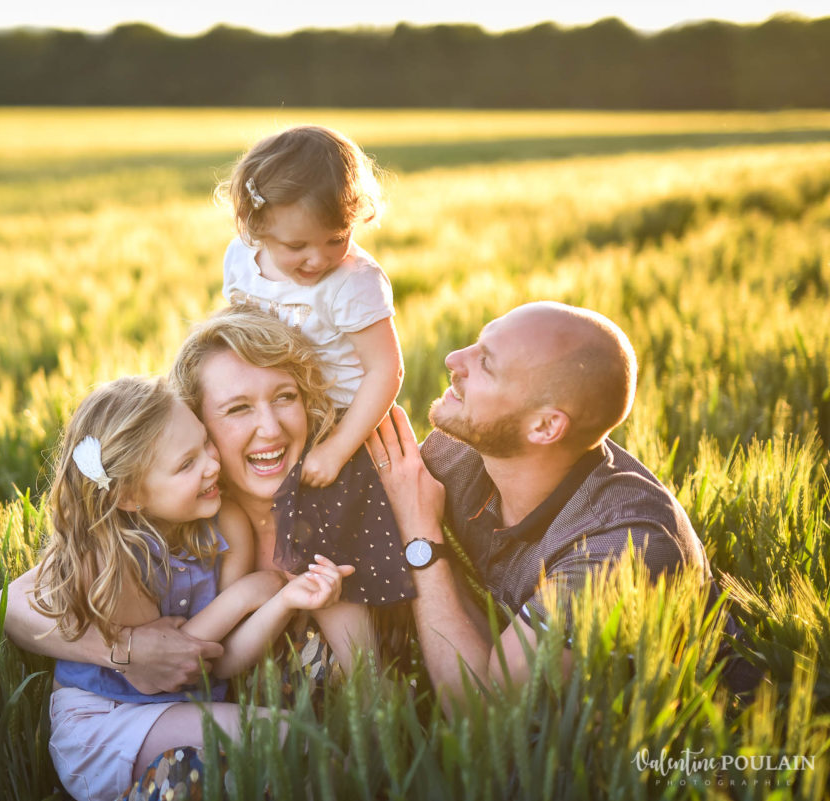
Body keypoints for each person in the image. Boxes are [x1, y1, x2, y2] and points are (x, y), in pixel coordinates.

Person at [363, 301, 714, 713]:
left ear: (546, 426)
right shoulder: (459, 450)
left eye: (486, 364)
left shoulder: (621, 552)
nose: (453, 360)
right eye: (476, 345)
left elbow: (485, 711)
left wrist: (419, 533)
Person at [35, 375, 352, 800]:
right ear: (129, 495)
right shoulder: (110, 558)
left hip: (186, 702)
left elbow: (223, 661)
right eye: (186, 464)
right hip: (109, 720)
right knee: (285, 737)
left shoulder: (226, 524)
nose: (211, 465)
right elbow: (167, 668)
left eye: (205, 443)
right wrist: (244, 596)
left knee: (287, 744)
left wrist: (283, 600)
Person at [220, 125, 403, 489]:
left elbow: (386, 370)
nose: (318, 259)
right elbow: (236, 331)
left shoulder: (352, 281)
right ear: (256, 226)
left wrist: (336, 449)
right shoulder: (241, 258)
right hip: (274, 416)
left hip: (345, 425)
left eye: (336, 239)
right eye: (296, 246)